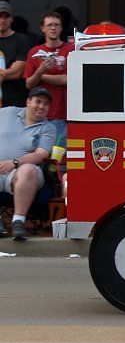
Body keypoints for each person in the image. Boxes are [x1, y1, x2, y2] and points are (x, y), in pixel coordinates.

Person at [0, 87, 57, 240]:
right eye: (38, 101)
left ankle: (18, 221)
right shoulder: (7, 113)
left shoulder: (48, 128)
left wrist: (15, 163)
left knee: (28, 170)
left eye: (46, 103)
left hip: (20, 173)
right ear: (28, 102)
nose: (41, 106)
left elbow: (41, 155)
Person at [23, 11, 73, 144]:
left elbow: (67, 79)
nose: (53, 28)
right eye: (50, 25)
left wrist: (39, 75)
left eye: (56, 25)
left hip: (63, 115)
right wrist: (40, 70)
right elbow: (29, 84)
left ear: (61, 28)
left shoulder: (70, 50)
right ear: (42, 28)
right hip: (38, 116)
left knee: (58, 155)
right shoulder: (34, 52)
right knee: (39, 154)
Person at [0, 1, 31, 108]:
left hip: (14, 101)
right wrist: (7, 71)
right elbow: (12, 71)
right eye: (0, 16)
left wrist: (11, 71)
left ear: (12, 19)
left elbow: (17, 72)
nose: (3, 20)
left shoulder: (22, 40)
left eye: (6, 16)